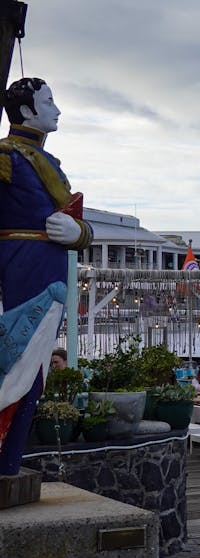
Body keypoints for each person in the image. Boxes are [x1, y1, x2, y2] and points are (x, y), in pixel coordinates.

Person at [0, 78, 96, 475]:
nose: (57, 110)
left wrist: (79, 233)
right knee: (15, 364)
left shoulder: (48, 164)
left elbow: (78, 226)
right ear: (26, 111)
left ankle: (8, 463)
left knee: (33, 371)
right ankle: (4, 462)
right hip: (21, 266)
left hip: (48, 271)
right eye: (49, 101)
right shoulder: (5, 158)